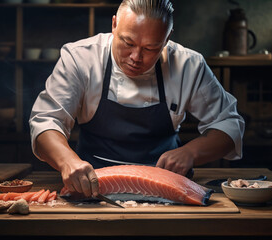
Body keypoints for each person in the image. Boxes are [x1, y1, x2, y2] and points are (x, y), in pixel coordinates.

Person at [29, 0, 245, 198]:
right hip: (92, 187)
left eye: (150, 48)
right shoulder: (81, 58)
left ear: (167, 39)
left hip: (167, 188)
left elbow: (230, 125)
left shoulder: (189, 65)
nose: (136, 58)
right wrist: (68, 161)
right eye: (128, 42)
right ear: (114, 24)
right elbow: (46, 120)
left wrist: (191, 151)